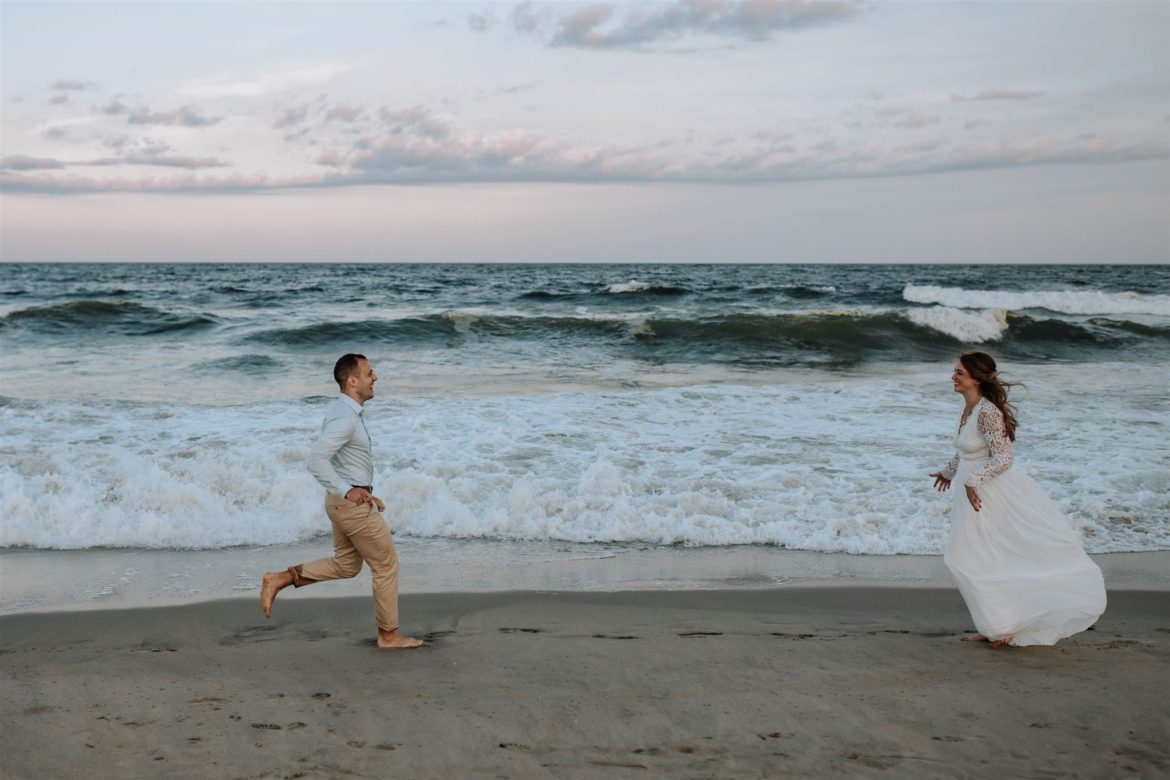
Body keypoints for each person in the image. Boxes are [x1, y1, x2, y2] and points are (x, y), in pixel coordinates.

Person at [929, 352, 1106, 648]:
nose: (953, 376)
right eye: (954, 371)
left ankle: (1004, 625)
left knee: (971, 557)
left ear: (976, 378)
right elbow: (967, 451)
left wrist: (973, 479)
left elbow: (1005, 458)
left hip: (990, 494)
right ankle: (995, 626)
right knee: (980, 558)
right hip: (971, 493)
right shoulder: (970, 409)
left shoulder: (988, 412)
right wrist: (949, 473)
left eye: (959, 372)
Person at [260, 353, 422, 649]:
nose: (375, 378)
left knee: (347, 565)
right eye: (370, 373)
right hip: (347, 504)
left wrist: (362, 490)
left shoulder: (343, 413)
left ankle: (281, 578)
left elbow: (343, 463)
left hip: (342, 502)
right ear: (352, 380)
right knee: (386, 565)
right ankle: (388, 635)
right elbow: (316, 461)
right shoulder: (346, 418)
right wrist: (349, 491)